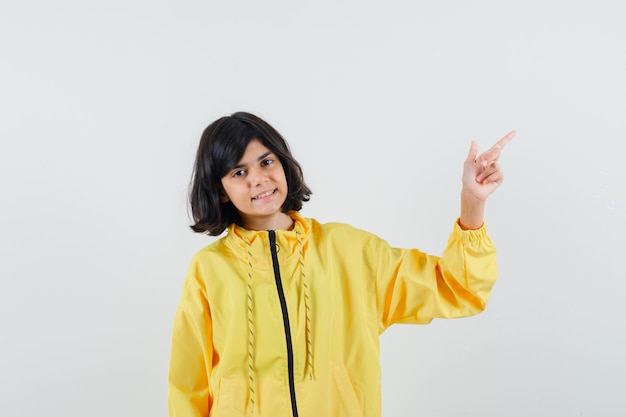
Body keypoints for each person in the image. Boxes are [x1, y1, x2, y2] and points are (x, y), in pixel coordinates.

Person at [168, 111, 515, 417]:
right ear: (222, 189)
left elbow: (457, 287)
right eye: (239, 171)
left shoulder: (350, 251)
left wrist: (472, 203)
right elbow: (188, 383)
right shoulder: (209, 270)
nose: (258, 178)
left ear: (283, 163)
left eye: (266, 162)